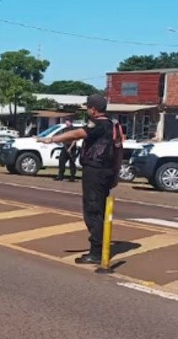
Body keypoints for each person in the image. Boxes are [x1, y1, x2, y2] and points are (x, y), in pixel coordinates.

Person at [39, 95, 123, 264]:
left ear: (93, 109)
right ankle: (99, 247)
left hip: (95, 170)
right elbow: (119, 149)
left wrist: (53, 138)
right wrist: (115, 172)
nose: (87, 110)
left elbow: (78, 133)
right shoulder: (114, 125)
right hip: (106, 171)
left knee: (93, 211)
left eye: (88, 108)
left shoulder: (98, 124)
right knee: (98, 209)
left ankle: (96, 252)